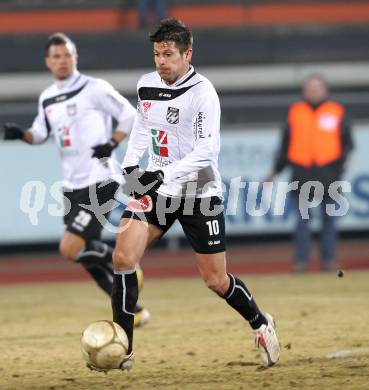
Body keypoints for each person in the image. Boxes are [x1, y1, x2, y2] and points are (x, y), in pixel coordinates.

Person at [104, 18, 280, 372]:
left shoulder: (203, 93)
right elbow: (143, 125)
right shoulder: (147, 84)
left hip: (198, 191)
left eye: (168, 54)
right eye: (156, 54)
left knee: (215, 279)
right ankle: (122, 348)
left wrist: (161, 173)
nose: (161, 62)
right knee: (123, 257)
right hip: (156, 190)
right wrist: (130, 165)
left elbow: (206, 151)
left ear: (187, 54)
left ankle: (261, 323)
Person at [3, 32, 150, 327]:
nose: (62, 61)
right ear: (48, 62)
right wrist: (21, 134)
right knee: (84, 256)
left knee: (69, 248)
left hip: (101, 179)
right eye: (56, 56)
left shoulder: (94, 88)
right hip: (72, 186)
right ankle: (134, 312)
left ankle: (122, 258)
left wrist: (112, 142)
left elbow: (130, 115)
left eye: (67, 55)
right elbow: (40, 134)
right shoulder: (47, 98)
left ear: (75, 58)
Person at [268, 74, 354, 272]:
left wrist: (339, 168)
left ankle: (329, 261)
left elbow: (348, 144)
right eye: (310, 88)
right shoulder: (295, 112)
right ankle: (301, 262)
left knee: (329, 221)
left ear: (325, 90)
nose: (314, 91)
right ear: (304, 91)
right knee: (302, 222)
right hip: (301, 173)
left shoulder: (336, 111)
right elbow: (285, 145)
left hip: (329, 174)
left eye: (317, 87)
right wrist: (275, 171)